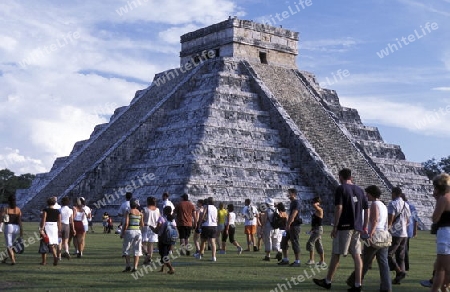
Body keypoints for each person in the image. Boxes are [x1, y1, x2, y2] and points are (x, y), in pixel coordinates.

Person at [313, 168, 369, 292]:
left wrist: (335, 226)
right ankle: (358, 284)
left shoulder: (341, 188)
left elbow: (339, 208)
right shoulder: (360, 190)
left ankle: (327, 281)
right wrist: (364, 226)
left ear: (340, 177)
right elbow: (366, 209)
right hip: (357, 227)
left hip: (344, 226)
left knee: (336, 254)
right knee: (357, 255)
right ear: (351, 177)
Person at [346, 185, 392, 292]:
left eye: (368, 194)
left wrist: (370, 234)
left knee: (364, 261)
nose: (366, 196)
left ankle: (354, 282)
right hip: (383, 236)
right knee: (383, 263)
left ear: (372, 194)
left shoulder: (375, 204)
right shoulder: (383, 205)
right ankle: (387, 287)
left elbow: (374, 220)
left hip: (375, 235)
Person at [430, 173, 450, 292]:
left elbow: (435, 218)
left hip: (445, 233)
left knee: (446, 268)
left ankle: (444, 287)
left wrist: (438, 200)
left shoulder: (444, 198)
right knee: (439, 268)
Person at [387, 186, 411, 285]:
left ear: (394, 193)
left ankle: (399, 271)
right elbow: (408, 220)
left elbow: (391, 218)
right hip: (404, 233)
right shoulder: (406, 204)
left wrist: (388, 229)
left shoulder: (393, 204)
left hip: (395, 233)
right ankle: (398, 278)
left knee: (388, 254)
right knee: (400, 256)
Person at [278, 188, 302, 267]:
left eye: (289, 193)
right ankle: (285, 259)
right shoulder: (292, 203)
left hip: (294, 226)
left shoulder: (296, 203)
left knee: (294, 242)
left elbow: (294, 214)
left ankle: (297, 261)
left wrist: (288, 224)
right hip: (289, 226)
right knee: (283, 242)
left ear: (294, 194)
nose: (288, 194)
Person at [120, 198, 143, 272]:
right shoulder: (140, 213)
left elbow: (126, 223)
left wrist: (123, 232)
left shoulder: (129, 212)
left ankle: (128, 266)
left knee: (127, 249)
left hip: (130, 231)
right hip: (138, 231)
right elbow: (142, 224)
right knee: (137, 249)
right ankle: (135, 267)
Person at [152, 205, 176, 274]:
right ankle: (163, 268)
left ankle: (171, 268)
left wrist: (152, 229)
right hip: (171, 239)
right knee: (165, 254)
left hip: (163, 239)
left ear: (164, 211)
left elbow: (157, 229)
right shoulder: (172, 219)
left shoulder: (161, 218)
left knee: (164, 255)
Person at [40, 197, 62, 266]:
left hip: (47, 226)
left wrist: (42, 229)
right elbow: (59, 221)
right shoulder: (58, 211)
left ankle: (44, 261)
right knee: (52, 244)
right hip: (54, 227)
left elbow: (44, 219)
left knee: (44, 243)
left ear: (47, 203)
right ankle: (55, 256)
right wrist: (59, 230)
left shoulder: (45, 210)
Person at [1, 194, 23, 265]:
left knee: (9, 246)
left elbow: (1, 219)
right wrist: (21, 230)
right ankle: (4, 259)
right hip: (16, 228)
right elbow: (19, 221)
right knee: (11, 245)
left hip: (8, 227)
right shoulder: (18, 209)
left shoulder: (6, 209)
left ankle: (13, 260)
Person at [399, 193, 418, 271]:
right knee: (405, 248)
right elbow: (416, 220)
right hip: (409, 230)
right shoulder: (412, 206)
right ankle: (405, 265)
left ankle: (403, 265)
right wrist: (415, 231)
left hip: (401, 230)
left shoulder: (401, 205)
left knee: (402, 248)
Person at [196, 197, 218, 261]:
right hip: (214, 226)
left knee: (203, 241)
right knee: (213, 242)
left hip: (206, 225)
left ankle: (200, 254)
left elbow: (203, 215)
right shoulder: (215, 208)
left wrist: (200, 223)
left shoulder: (206, 207)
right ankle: (214, 257)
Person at [306, 196, 325, 266]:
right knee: (318, 244)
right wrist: (311, 230)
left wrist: (317, 203)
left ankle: (311, 260)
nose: (313, 204)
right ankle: (322, 261)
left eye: (315, 202)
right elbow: (315, 222)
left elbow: (314, 205)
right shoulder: (316, 211)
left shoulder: (320, 210)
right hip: (315, 229)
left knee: (310, 243)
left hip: (318, 229)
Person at [142, 196, 160, 264]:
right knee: (151, 244)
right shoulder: (157, 210)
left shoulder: (145, 209)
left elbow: (142, 220)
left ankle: (147, 255)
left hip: (146, 227)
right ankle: (149, 258)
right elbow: (159, 219)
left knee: (142, 243)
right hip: (154, 228)